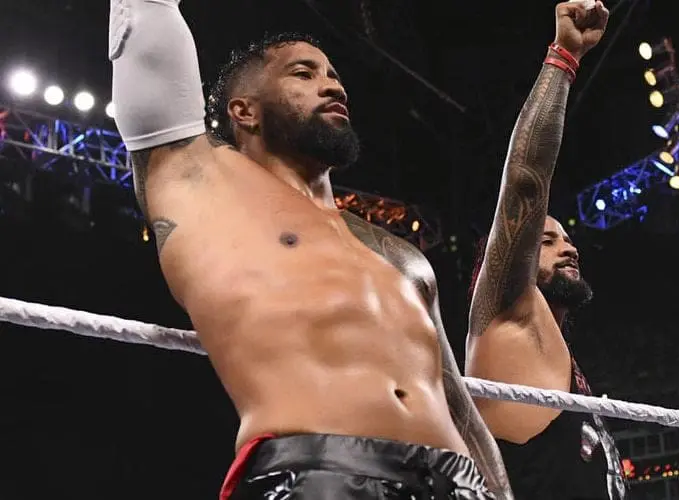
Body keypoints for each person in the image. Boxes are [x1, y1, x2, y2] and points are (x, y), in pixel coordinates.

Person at [110, 1, 515, 498]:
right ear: (244, 111)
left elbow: (458, 406)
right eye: (304, 74)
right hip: (320, 469)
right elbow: (145, 19)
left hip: (459, 482)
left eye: (333, 75)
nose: (333, 86)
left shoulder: (397, 254)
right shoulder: (201, 185)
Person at [464, 2, 628, 499]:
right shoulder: (507, 315)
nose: (569, 248)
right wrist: (565, 57)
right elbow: (525, 185)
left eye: (568, 239)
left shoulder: (557, 354)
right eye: (547, 240)